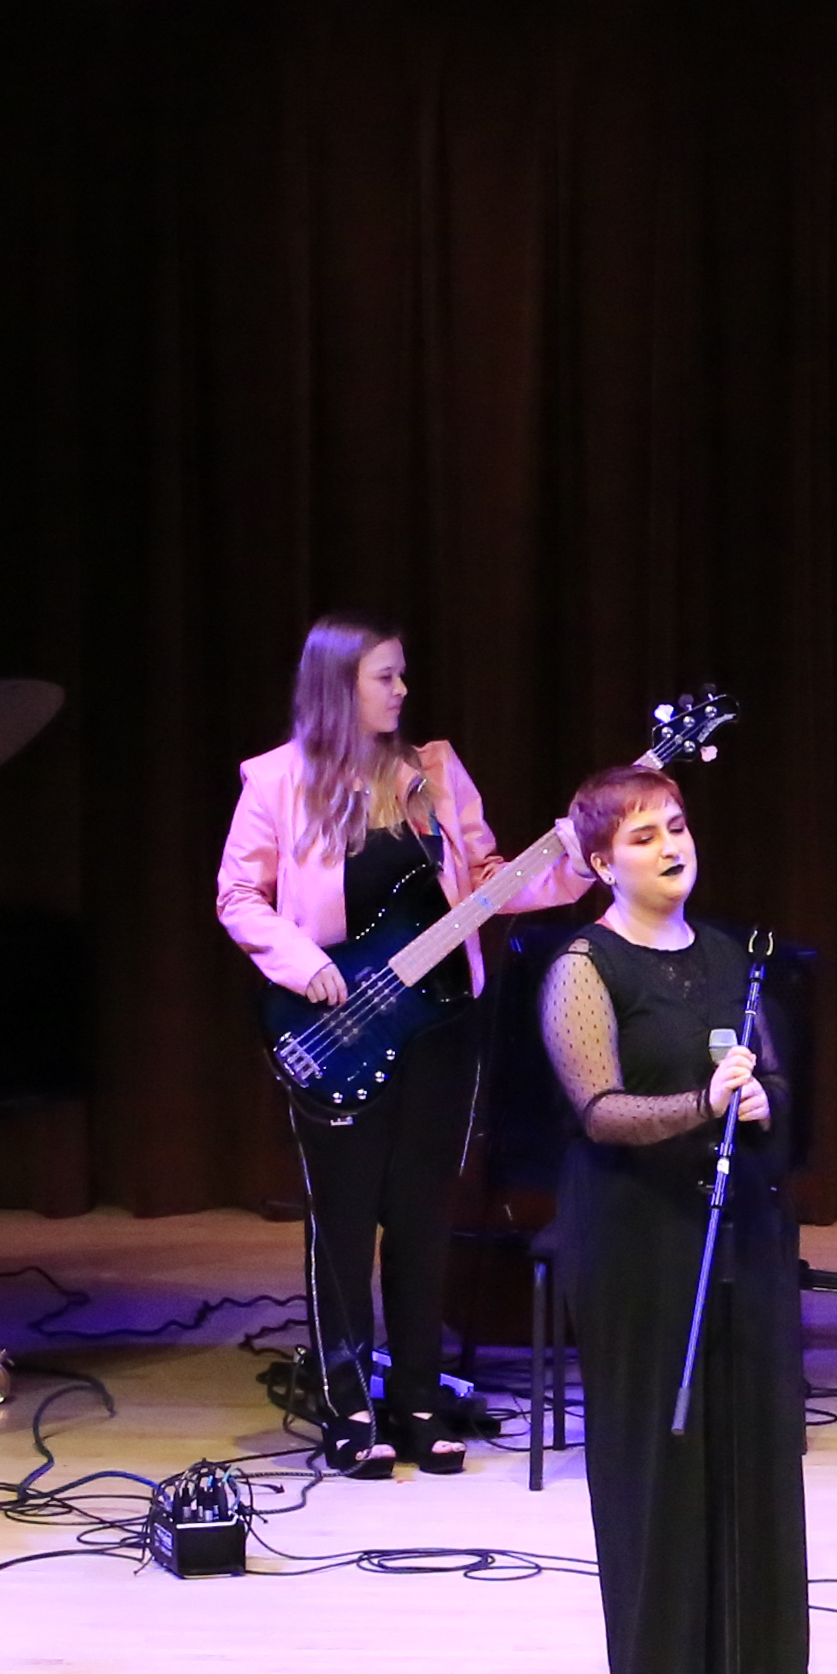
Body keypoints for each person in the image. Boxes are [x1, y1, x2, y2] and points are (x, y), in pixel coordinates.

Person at [214, 618, 576, 1467]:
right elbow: (239, 895)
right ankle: (348, 1409)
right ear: (340, 684)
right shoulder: (275, 781)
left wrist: (575, 856)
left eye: (403, 675)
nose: (402, 690)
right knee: (342, 1219)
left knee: (422, 1214)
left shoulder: (436, 774)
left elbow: (487, 884)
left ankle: (418, 1401)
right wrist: (302, 964)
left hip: (442, 1022)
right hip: (334, 1022)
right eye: (387, 676)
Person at [535, 760, 814, 1674]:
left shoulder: (732, 953)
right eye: (644, 835)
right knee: (660, 1440)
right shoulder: (583, 967)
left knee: (757, 1436)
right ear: (602, 861)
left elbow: (770, 1077)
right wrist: (703, 1102)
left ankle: (765, 1659)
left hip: (739, 1223)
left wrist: (759, 1096)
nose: (670, 846)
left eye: (677, 825)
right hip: (636, 1235)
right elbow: (600, 1110)